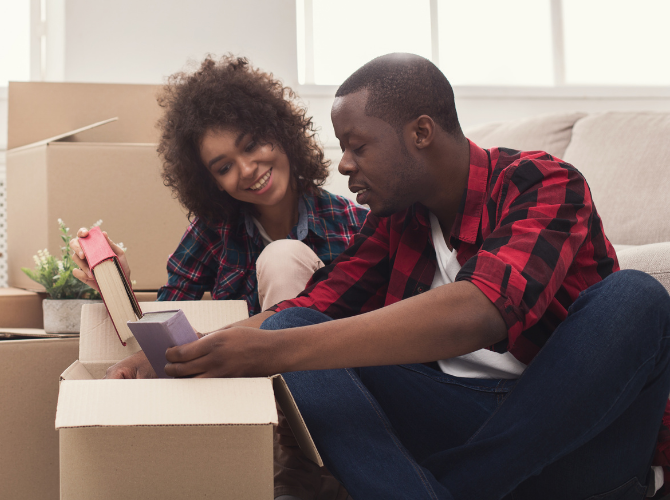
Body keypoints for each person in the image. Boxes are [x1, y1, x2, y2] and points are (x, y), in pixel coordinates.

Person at [142, 53, 670, 499]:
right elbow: (318, 303)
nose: (344, 165)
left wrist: (275, 352)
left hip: (579, 442)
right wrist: (191, 348)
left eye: (357, 145)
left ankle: (444, 488)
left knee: (636, 296)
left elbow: (482, 311)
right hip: (455, 423)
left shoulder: (542, 182)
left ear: (420, 132)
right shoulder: (396, 221)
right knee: (291, 324)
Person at [70, 55, 367, 500]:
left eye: (252, 146)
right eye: (224, 166)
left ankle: (307, 464)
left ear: (281, 133)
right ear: (210, 181)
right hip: (245, 414)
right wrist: (123, 290)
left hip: (341, 396)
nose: (247, 170)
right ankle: (288, 463)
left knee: (282, 259)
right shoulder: (213, 231)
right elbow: (171, 321)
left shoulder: (349, 222)